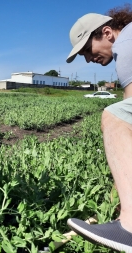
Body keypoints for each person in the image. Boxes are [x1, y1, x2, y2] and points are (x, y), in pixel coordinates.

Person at [65, 4, 132, 252]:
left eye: (86, 49)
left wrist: (124, 201)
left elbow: (129, 123)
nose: (87, 59)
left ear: (106, 32)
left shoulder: (126, 44)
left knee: (115, 116)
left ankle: (130, 228)